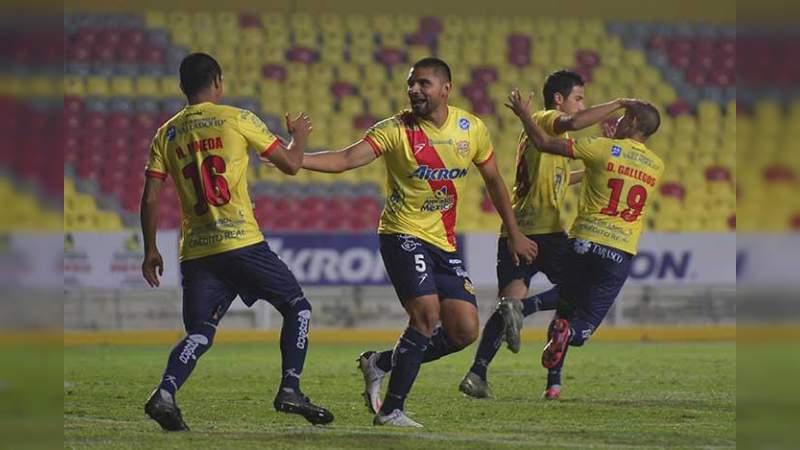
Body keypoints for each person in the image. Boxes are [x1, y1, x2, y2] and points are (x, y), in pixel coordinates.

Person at [301, 57, 537, 427]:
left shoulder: (471, 129)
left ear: (446, 89)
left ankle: (379, 363)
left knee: (464, 331)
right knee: (426, 316)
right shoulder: (395, 129)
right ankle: (392, 409)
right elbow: (346, 159)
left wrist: (515, 231)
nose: (413, 90)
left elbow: (493, 181)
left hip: (442, 242)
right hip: (402, 233)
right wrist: (296, 158)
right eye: (411, 83)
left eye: (423, 83)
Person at [140, 52, 333, 431]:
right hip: (241, 242)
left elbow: (149, 196)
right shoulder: (237, 118)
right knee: (298, 308)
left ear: (182, 87)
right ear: (217, 81)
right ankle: (290, 388)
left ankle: (164, 392)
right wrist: (299, 137)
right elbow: (292, 165)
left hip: (196, 251)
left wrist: (149, 249)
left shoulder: (167, 132)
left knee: (199, 333)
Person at [460, 70, 642, 400]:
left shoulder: (546, 144)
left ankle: (477, 373)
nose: (581, 105)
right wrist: (617, 104)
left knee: (509, 306)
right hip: (548, 234)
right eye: (579, 98)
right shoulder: (546, 119)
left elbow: (572, 174)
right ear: (559, 100)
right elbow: (573, 124)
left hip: (517, 231)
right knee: (573, 296)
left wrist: (609, 151)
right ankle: (553, 381)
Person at [504, 88, 664, 399]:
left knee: (565, 305)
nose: (614, 122)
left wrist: (524, 115)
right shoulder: (657, 166)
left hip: (583, 241)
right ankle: (558, 359)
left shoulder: (600, 148)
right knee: (581, 326)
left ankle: (550, 374)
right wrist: (615, 142)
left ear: (631, 122)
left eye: (620, 119)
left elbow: (545, 143)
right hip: (619, 250)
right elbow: (618, 165)